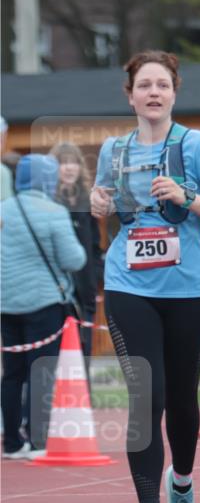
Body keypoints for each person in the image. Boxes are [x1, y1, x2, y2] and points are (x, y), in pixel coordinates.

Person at [90, 50, 200, 503]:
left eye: (162, 85)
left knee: (180, 399)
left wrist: (185, 196)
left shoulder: (196, 145)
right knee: (144, 398)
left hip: (187, 290)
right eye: (144, 85)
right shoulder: (113, 149)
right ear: (128, 94)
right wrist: (98, 204)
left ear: (175, 92)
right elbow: (105, 205)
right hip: (129, 287)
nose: (153, 93)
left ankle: (182, 484)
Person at [1, 154, 86, 459]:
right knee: (41, 370)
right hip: (44, 302)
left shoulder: (2, 210)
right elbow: (74, 259)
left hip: (6, 303)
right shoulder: (54, 212)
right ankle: (38, 441)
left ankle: (11, 442)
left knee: (12, 373)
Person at [50, 142, 103, 361]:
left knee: (83, 354)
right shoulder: (48, 202)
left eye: (73, 162)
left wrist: (96, 276)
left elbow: (95, 248)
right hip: (56, 292)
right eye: (63, 163)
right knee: (55, 356)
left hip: (85, 293)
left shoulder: (87, 201)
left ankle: (83, 397)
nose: (69, 168)